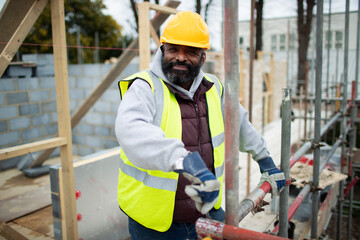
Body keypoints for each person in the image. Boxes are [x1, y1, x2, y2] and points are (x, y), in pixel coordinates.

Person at [115, 11, 285, 240]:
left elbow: (240, 124)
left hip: (204, 215)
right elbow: (132, 133)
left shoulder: (214, 88)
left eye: (191, 52)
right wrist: (185, 161)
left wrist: (265, 160)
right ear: (162, 50)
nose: (180, 57)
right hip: (154, 225)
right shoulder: (145, 88)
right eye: (174, 49)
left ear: (203, 58)